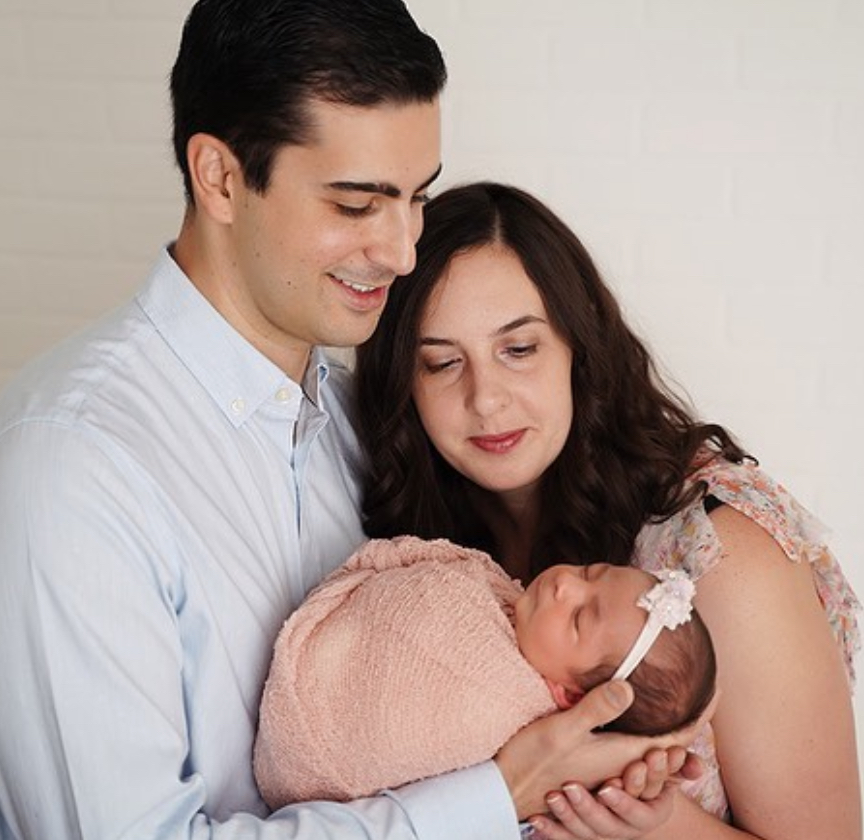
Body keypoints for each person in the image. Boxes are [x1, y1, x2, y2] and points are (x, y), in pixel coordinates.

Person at [0, 5, 699, 840]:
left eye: (416, 199)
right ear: (220, 177)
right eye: (358, 204)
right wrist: (495, 795)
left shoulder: (361, 424)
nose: (404, 253)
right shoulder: (72, 468)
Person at [354, 181, 863, 840]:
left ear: (578, 345)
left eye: (519, 349)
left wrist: (654, 823)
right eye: (442, 363)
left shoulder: (717, 553)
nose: (486, 399)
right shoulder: (418, 549)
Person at [254, 535, 716, 806]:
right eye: (590, 572)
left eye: (578, 619)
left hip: (318, 758)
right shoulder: (501, 599)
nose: (564, 585)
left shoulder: (496, 707)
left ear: (572, 697)